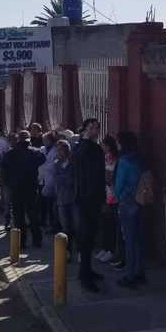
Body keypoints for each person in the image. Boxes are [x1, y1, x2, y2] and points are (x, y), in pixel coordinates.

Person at [72, 117, 106, 292]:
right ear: (84, 129)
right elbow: (95, 177)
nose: (95, 131)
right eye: (91, 127)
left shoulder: (78, 147)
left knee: (87, 238)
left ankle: (86, 271)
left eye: (96, 128)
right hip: (89, 200)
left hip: (82, 198)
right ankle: (85, 276)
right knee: (87, 238)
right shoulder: (91, 149)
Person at [0, 130, 46, 248]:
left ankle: (21, 242)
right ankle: (37, 240)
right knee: (33, 215)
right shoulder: (35, 153)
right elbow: (42, 159)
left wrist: (7, 183)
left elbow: (4, 169)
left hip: (16, 188)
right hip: (31, 188)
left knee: (18, 216)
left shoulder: (10, 154)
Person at [113, 130, 145, 287]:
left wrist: (117, 196)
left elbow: (118, 185)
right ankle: (139, 271)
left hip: (126, 201)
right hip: (139, 199)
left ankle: (130, 274)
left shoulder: (124, 161)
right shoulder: (139, 158)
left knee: (129, 240)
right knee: (138, 238)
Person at [97, 135, 123, 265]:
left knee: (112, 226)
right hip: (106, 194)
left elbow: (110, 176)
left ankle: (111, 250)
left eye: (103, 144)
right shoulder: (106, 158)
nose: (102, 146)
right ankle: (105, 248)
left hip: (113, 196)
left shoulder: (115, 159)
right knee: (106, 224)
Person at [53, 139, 76, 259]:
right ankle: (67, 251)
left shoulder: (73, 163)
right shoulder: (56, 164)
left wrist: (64, 178)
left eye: (61, 150)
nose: (59, 152)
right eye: (58, 150)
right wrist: (64, 178)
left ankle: (78, 251)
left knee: (75, 226)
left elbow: (72, 179)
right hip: (61, 200)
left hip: (73, 199)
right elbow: (56, 180)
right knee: (65, 227)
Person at [38, 131, 58, 232]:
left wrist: (45, 167)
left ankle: (52, 224)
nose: (44, 141)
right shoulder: (42, 149)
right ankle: (43, 222)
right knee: (43, 203)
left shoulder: (55, 151)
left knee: (51, 205)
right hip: (42, 180)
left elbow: (52, 166)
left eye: (46, 140)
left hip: (51, 181)